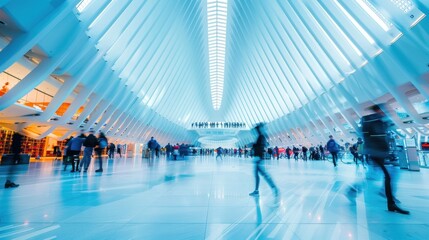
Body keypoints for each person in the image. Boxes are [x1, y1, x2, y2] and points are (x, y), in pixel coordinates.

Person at [360, 104, 409, 214]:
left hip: (382, 153)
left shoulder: (381, 122)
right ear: (378, 110)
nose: (386, 112)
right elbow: (368, 138)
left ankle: (353, 190)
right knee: (386, 176)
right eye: (384, 110)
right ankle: (390, 203)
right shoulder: (369, 121)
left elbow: (383, 137)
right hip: (376, 153)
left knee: (380, 176)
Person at [249, 123, 280, 202]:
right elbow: (260, 146)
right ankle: (257, 190)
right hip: (258, 158)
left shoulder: (261, 136)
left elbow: (260, 147)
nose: (256, 131)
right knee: (259, 175)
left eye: (257, 129)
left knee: (264, 174)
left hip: (259, 158)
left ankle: (274, 188)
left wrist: (254, 146)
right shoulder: (261, 136)